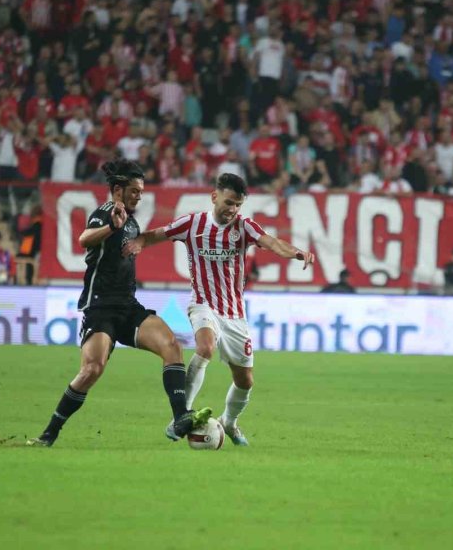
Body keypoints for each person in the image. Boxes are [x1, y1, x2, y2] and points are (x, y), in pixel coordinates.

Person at [27, 161, 212, 447]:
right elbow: (84, 239)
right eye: (134, 191)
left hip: (128, 306)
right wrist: (111, 228)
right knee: (92, 370)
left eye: (141, 190)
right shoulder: (106, 213)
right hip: (100, 306)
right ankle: (50, 432)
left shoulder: (132, 221)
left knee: (171, 346)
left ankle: (180, 417)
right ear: (117, 190)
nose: (139, 195)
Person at [124, 173, 315, 446]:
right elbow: (159, 234)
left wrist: (297, 252)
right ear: (215, 197)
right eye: (229, 202)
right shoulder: (193, 224)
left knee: (245, 380)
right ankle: (181, 415)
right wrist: (140, 242)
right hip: (202, 303)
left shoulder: (244, 227)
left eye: (238, 204)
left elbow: (272, 243)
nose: (233, 209)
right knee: (205, 347)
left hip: (234, 313)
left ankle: (230, 422)